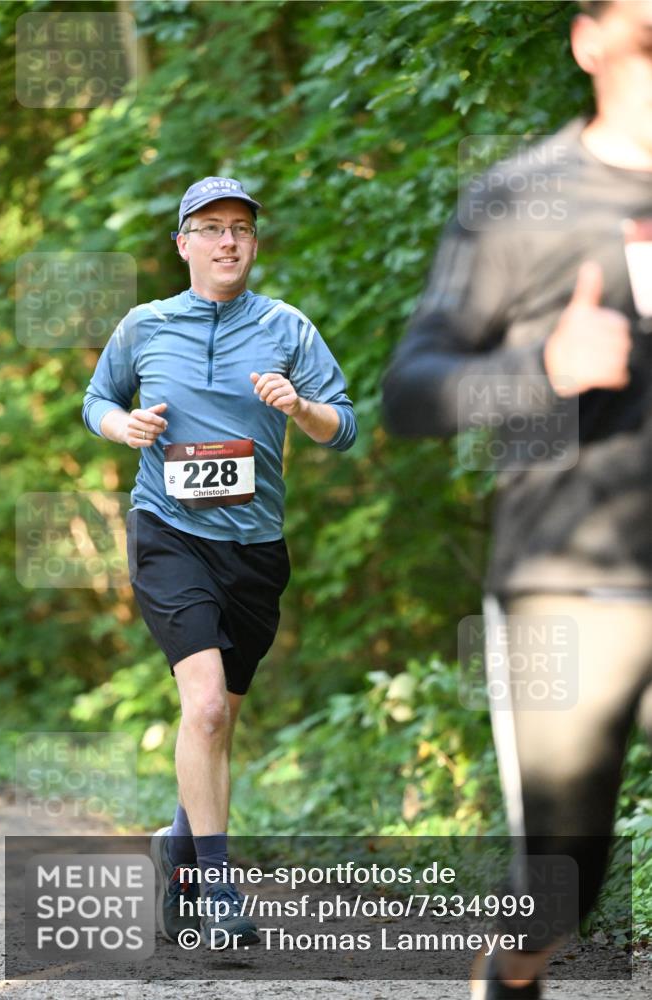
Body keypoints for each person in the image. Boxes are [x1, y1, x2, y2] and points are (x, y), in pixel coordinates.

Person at [382, 2, 651, 997]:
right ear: (589, 41)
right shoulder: (518, 199)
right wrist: (541, 368)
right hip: (568, 582)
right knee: (557, 888)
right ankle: (512, 968)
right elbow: (409, 392)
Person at [82, 176, 357, 947]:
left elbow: (344, 427)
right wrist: (124, 427)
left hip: (255, 548)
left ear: (253, 242)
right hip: (167, 533)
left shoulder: (285, 327)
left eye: (240, 227)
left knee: (220, 721)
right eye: (210, 228)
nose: (227, 240)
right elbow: (96, 401)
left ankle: (175, 849)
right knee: (202, 707)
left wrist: (299, 408)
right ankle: (217, 887)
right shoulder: (145, 325)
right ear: (183, 244)